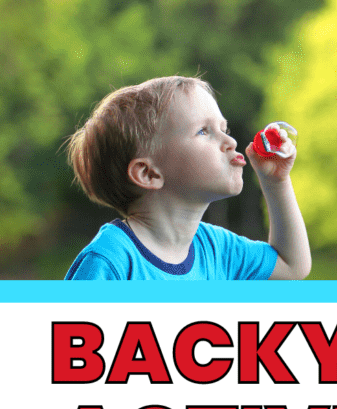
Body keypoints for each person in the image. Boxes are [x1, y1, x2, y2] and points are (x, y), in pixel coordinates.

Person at [64, 75, 310, 280]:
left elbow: (292, 266)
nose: (231, 142)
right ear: (148, 173)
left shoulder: (216, 249)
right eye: (204, 131)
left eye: (225, 130)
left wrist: (276, 182)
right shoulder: (112, 260)